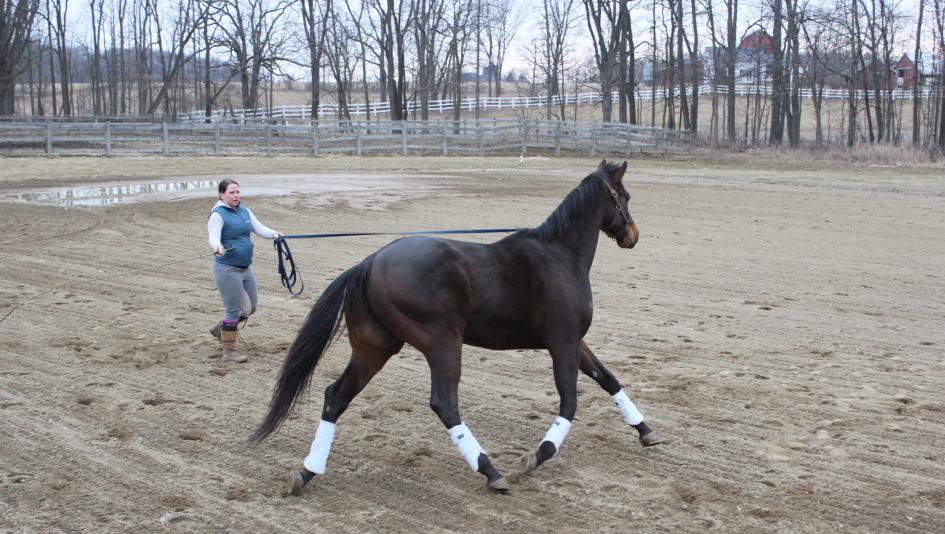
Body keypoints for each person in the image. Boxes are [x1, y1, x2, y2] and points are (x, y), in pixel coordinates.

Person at [207, 179, 282, 363]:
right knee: (233, 310)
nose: (236, 195)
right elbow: (213, 237)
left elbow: (259, 229)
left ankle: (221, 329)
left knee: (251, 308)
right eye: (232, 192)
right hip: (227, 269)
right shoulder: (217, 214)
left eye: (237, 192)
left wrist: (274, 234)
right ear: (221, 195)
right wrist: (218, 248)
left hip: (245, 268)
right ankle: (229, 352)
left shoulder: (245, 211)